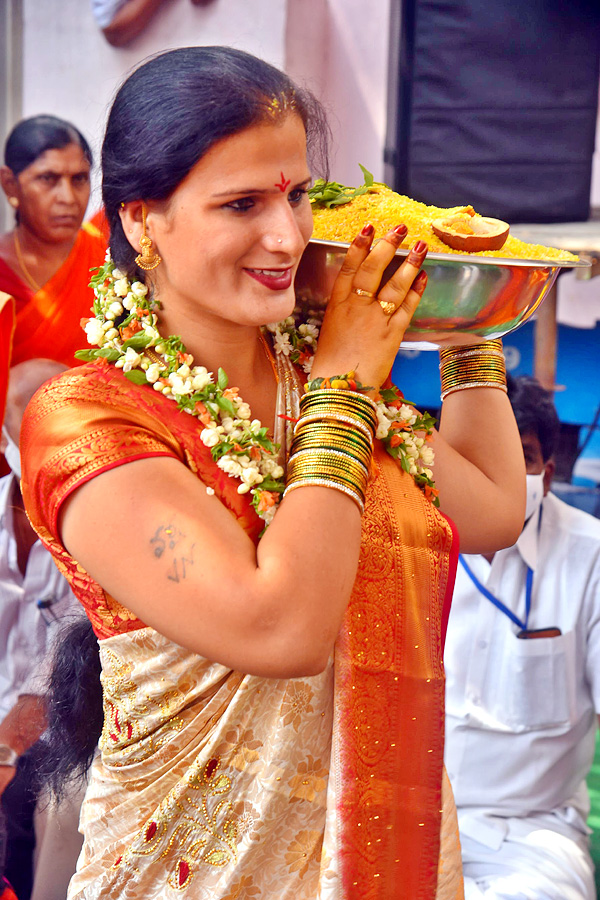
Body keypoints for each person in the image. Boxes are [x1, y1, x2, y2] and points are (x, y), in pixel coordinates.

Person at [20, 47, 525, 900]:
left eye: (295, 194)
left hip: (370, 860)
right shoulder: (88, 420)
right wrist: (347, 382)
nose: (288, 236)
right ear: (144, 221)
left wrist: (465, 309)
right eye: (241, 203)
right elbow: (280, 632)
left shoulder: (312, 373)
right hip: (188, 869)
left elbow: (491, 510)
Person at [444, 374, 600, 900]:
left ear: (548, 475)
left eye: (520, 457)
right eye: (478, 457)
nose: (498, 475)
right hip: (407, 815)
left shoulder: (592, 557)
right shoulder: (406, 542)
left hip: (533, 837)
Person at [0, 360, 85, 900]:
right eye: (23, 408)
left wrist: (6, 753)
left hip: (57, 744)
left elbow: (74, 650)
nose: (37, 422)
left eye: (53, 408)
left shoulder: (96, 515)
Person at [0, 115, 107, 374]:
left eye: (79, 179)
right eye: (48, 179)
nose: (68, 198)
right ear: (10, 185)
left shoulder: (107, 253)